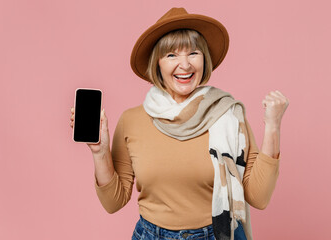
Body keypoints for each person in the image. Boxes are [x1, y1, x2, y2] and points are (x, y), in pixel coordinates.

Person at [70, 7, 289, 240]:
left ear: (204, 59)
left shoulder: (228, 115)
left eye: (193, 53)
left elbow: (258, 197)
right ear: (158, 64)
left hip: (217, 235)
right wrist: (100, 152)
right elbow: (113, 202)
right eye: (171, 55)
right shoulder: (132, 120)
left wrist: (272, 125)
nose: (184, 65)